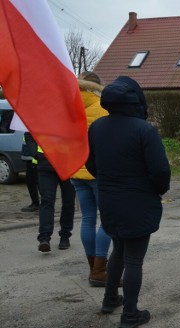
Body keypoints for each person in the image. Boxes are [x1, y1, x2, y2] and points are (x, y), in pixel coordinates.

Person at [87, 76, 171, 328]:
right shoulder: (144, 129)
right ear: (135, 100)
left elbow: (91, 165)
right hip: (138, 200)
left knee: (119, 251)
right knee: (134, 259)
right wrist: (157, 190)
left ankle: (110, 299)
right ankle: (130, 314)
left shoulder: (97, 127)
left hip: (110, 200)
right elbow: (160, 171)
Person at [70, 71, 111, 286]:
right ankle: (100, 270)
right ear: (97, 86)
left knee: (87, 218)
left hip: (76, 170)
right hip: (98, 171)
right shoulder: (103, 107)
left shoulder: (69, 106)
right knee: (107, 220)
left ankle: (93, 267)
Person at [32, 132, 76, 252]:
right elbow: (29, 133)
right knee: (47, 200)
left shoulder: (70, 114)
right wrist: (36, 154)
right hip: (46, 162)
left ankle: (65, 235)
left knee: (68, 201)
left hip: (67, 161)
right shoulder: (41, 115)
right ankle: (44, 238)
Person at [20, 133, 39, 212]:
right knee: (30, 182)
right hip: (30, 159)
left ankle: (38, 204)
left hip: (35, 160)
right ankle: (36, 203)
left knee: (36, 182)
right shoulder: (27, 130)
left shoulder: (32, 129)